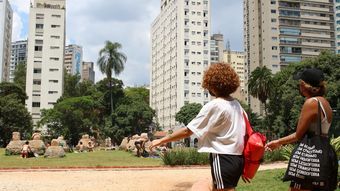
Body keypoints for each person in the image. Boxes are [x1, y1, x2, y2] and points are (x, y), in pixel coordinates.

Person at [150, 63, 246, 191]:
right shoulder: (237, 106)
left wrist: (161, 140)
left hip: (223, 157)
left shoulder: (215, 105)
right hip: (238, 158)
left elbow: (187, 131)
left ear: (212, 84)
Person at [266, 68, 333, 191]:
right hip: (324, 155)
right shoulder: (325, 103)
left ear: (304, 85)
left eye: (300, 83)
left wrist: (277, 142)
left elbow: (298, 135)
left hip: (309, 158)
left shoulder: (311, 103)